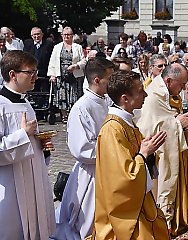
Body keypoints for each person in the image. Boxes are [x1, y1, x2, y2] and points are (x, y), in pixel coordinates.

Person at [136, 63, 188, 236]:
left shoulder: (167, 93)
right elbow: (148, 128)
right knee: (165, 185)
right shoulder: (153, 96)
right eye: (181, 84)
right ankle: (163, 220)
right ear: (168, 80)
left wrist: (185, 127)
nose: (184, 88)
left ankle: (177, 214)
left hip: (173, 147)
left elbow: (166, 120)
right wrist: (177, 124)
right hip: (159, 156)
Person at [93, 70, 170, 239]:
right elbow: (121, 178)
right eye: (140, 90)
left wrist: (147, 152)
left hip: (139, 202)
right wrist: (144, 153)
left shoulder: (127, 122)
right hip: (124, 214)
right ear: (124, 98)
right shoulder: (112, 129)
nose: (145, 94)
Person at [53, 57, 115, 239]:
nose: (112, 84)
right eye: (110, 79)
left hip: (108, 168)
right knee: (86, 223)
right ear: (97, 80)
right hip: (91, 173)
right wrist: (114, 152)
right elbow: (81, 149)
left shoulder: (106, 101)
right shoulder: (82, 107)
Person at [0, 50, 55, 239]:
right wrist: (23, 135)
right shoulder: (1, 106)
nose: (35, 77)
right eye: (30, 72)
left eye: (35, 71)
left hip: (33, 177)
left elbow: (32, 140)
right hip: (9, 182)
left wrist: (42, 146)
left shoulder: (26, 102)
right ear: (13, 74)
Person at [47, 26, 85, 123]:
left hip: (74, 75)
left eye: (69, 35)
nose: (66, 36)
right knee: (62, 96)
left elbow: (84, 61)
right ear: (62, 35)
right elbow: (52, 62)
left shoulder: (78, 47)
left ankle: (73, 115)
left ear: (72, 36)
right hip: (61, 75)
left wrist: (75, 66)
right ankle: (64, 116)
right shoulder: (57, 47)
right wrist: (52, 75)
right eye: (65, 35)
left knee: (74, 96)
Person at [23, 27, 54, 92]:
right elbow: (25, 59)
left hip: (45, 74)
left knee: (45, 94)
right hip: (31, 74)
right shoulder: (27, 44)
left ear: (42, 35)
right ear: (32, 36)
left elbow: (52, 59)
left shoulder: (48, 44)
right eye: (34, 35)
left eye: (38, 34)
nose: (36, 36)